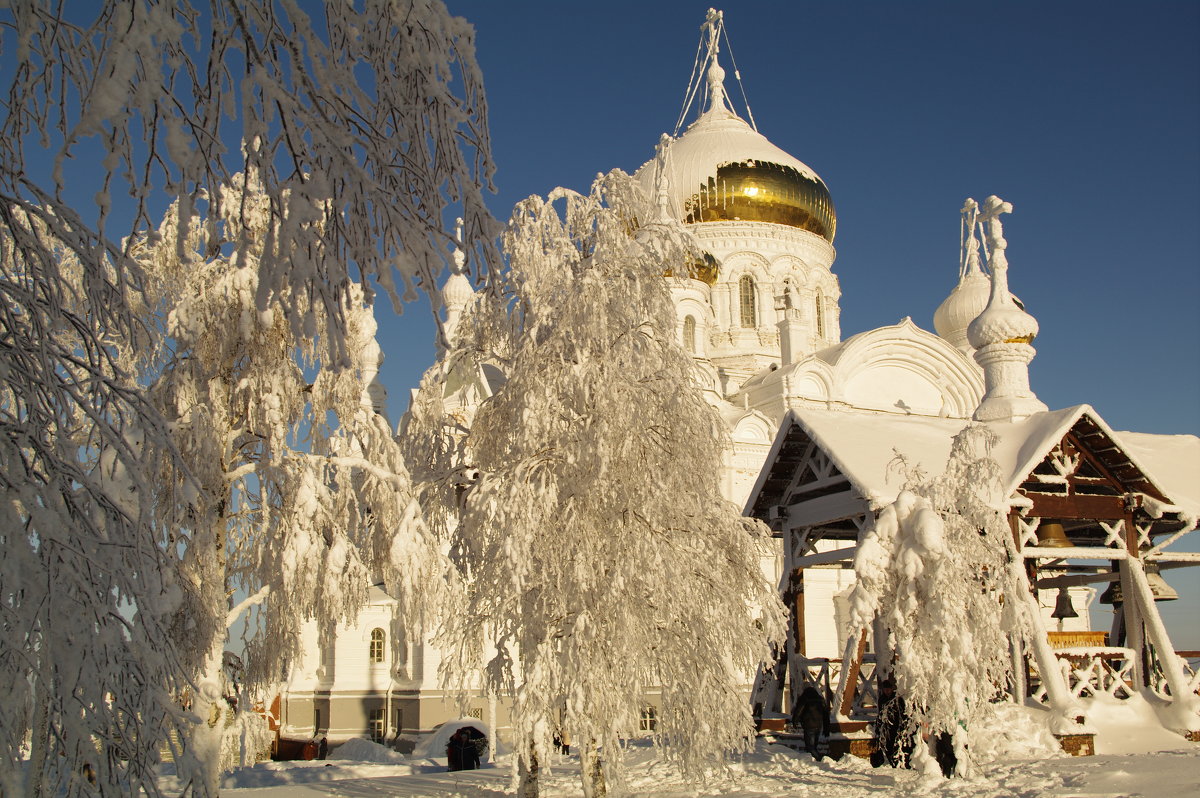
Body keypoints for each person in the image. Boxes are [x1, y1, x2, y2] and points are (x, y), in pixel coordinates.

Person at [874, 678, 915, 768]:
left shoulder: (896, 698)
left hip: (896, 725)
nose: (887, 691)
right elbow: (880, 713)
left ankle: (898, 761)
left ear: (892, 689)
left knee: (896, 744)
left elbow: (902, 712)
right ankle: (892, 761)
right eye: (885, 689)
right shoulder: (882, 699)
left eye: (888, 689)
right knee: (889, 745)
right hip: (887, 726)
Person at [790, 686, 830, 760]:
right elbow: (825, 714)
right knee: (814, 745)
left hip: (808, 725)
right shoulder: (820, 699)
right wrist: (826, 728)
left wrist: (795, 721)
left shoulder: (804, 699)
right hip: (819, 725)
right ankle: (814, 760)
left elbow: (798, 711)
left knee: (810, 746)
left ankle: (818, 759)